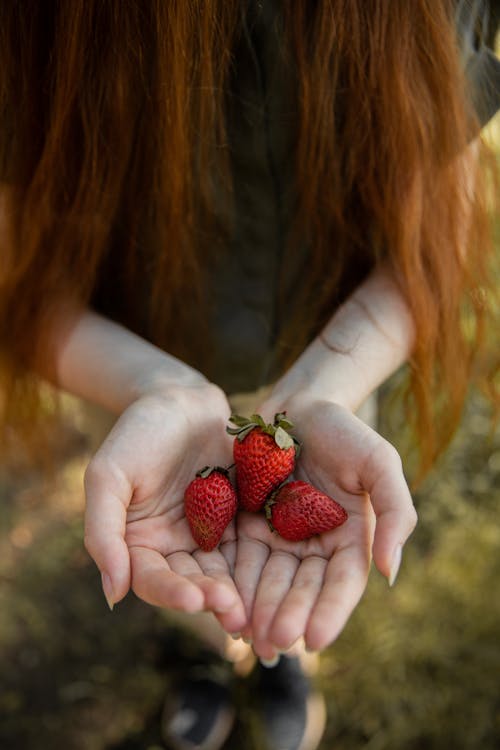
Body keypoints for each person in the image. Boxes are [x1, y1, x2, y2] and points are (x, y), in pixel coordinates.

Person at [0, 2, 498, 749]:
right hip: (130, 363)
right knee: (176, 567)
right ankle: (205, 653)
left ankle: (282, 659)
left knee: (265, 581)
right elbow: (19, 283)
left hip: (338, 347)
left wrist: (329, 382)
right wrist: (150, 385)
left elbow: (438, 233)